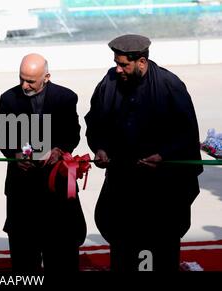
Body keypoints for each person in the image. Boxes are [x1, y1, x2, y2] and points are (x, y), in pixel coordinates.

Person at [85, 34, 203, 271]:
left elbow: (187, 132)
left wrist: (164, 155)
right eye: (116, 63)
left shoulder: (170, 85)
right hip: (123, 182)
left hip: (162, 186)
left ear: (141, 61)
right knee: (123, 245)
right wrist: (100, 148)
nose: (117, 69)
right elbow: (94, 122)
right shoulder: (108, 84)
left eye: (123, 64)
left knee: (162, 246)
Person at [0, 53, 87, 279]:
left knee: (62, 255)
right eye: (21, 79)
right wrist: (15, 154)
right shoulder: (8, 99)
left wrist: (59, 150)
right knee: (24, 258)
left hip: (56, 187)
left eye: (30, 81)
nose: (24, 85)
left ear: (46, 77)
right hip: (22, 190)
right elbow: (4, 138)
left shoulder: (66, 98)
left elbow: (72, 134)